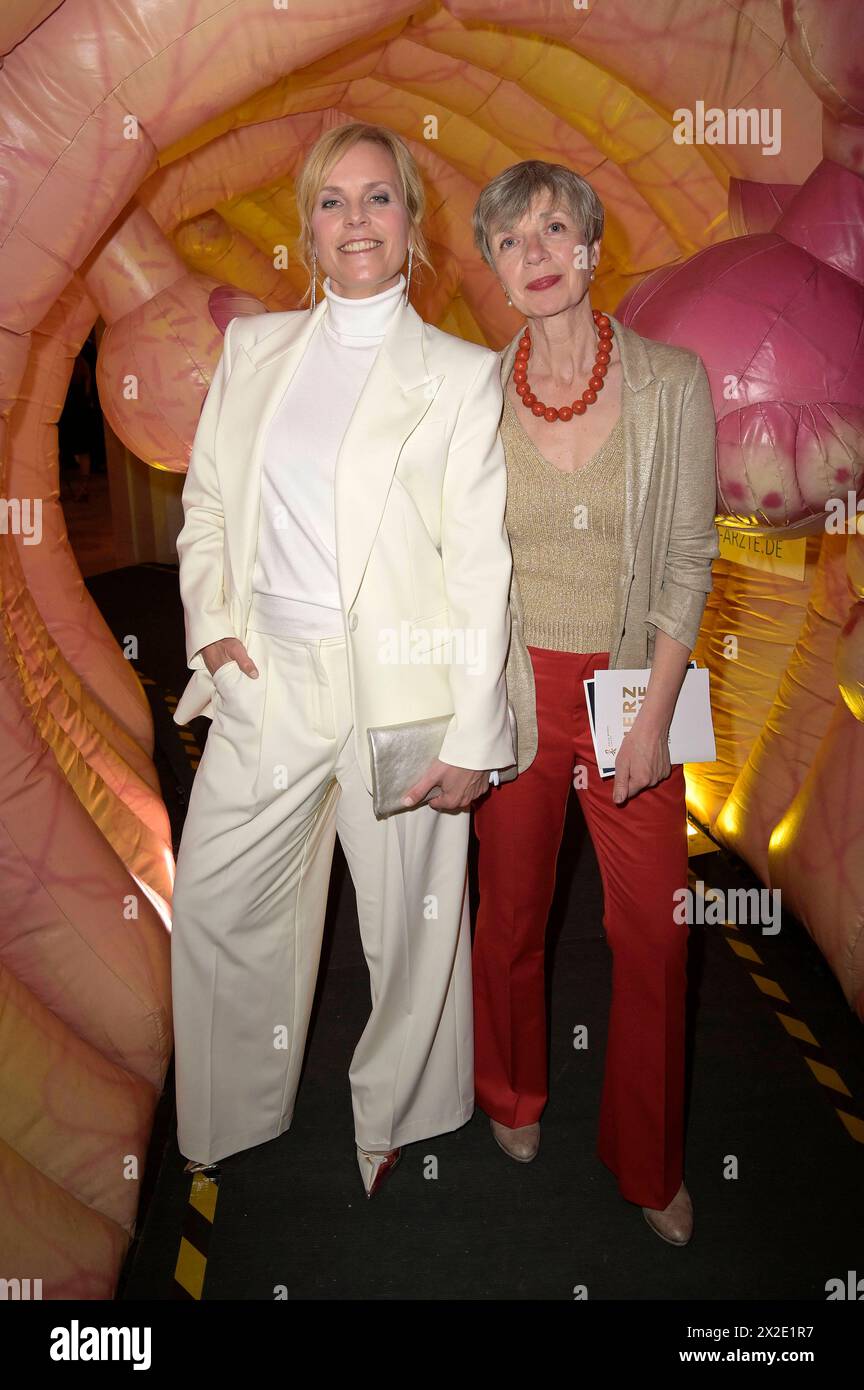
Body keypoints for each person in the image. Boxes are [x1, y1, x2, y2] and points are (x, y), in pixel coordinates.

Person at [170, 123, 516, 1198]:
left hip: (401, 688)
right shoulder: (254, 350)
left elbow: (480, 566)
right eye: (333, 201)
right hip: (268, 675)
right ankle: (229, 1105)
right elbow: (210, 505)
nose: (356, 220)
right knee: (220, 899)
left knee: (407, 920)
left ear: (413, 227)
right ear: (307, 229)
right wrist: (211, 626)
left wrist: (476, 734)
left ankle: (398, 1114)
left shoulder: (463, 378)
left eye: (379, 199)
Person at [470, 160, 719, 1245]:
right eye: (510, 239)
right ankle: (514, 1090)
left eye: (553, 229)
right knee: (511, 919)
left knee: (658, 935)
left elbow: (689, 559)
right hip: (517, 692)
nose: (534, 254)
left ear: (590, 245)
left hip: (631, 689)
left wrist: (656, 719)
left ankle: (649, 1158)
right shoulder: (473, 396)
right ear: (492, 265)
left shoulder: (673, 380)